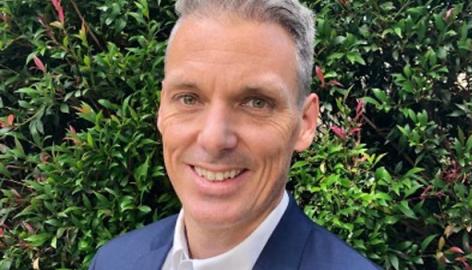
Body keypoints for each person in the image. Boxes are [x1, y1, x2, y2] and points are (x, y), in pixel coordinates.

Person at [89, 0, 380, 269]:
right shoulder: (114, 260)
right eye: (189, 98)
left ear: (305, 123)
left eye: (257, 102)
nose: (213, 139)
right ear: (162, 109)